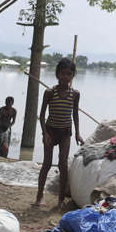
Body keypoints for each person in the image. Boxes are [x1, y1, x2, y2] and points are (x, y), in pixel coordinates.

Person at [35, 58, 84, 208]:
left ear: (73, 76)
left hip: (65, 132)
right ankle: (39, 196)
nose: (65, 77)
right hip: (50, 131)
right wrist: (45, 134)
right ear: (57, 74)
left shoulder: (75, 94)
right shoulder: (50, 92)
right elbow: (42, 116)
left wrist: (77, 133)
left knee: (63, 165)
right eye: (62, 74)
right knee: (47, 163)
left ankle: (61, 200)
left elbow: (75, 114)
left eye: (69, 74)